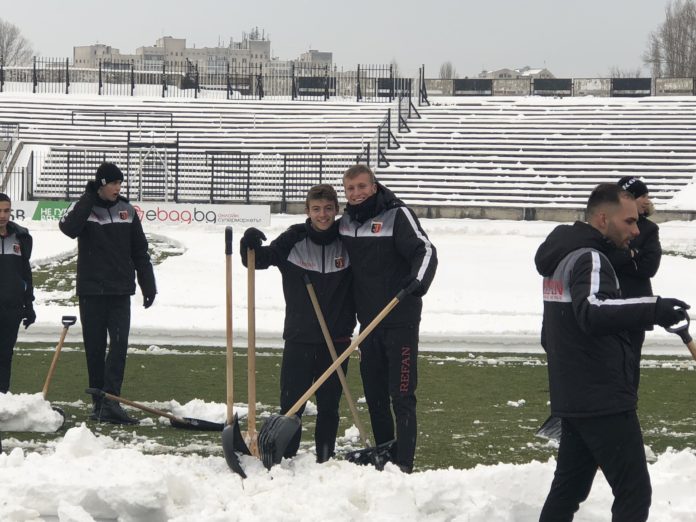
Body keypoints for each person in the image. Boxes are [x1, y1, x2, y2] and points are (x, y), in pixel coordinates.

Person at [535, 183, 689, 521]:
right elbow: (592, 311)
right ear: (603, 219)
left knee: (568, 490)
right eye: (630, 222)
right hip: (601, 398)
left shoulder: (562, 255)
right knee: (634, 492)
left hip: (574, 395)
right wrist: (654, 309)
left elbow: (551, 332)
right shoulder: (590, 257)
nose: (636, 231)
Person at [240, 184, 355, 462]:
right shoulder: (294, 239)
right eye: (316, 209)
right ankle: (287, 457)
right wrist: (248, 243)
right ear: (307, 211)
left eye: (328, 209)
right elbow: (257, 261)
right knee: (292, 405)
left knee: (329, 405)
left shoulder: (349, 240)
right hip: (299, 337)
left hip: (337, 339)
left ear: (336, 210)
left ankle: (325, 457)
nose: (323, 215)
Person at [338, 164, 437, 473]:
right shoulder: (345, 224)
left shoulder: (397, 214)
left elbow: (426, 251)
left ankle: (404, 464)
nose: (357, 194)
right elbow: (316, 230)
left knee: (402, 395)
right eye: (351, 188)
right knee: (376, 396)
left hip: (400, 319)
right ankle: (385, 454)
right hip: (368, 323)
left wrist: (417, 283)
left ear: (375, 186)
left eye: (362, 187)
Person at [59, 162, 156, 425]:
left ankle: (112, 401)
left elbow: (139, 250)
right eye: (113, 183)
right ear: (102, 184)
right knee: (94, 348)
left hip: (120, 290)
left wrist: (148, 283)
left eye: (120, 183)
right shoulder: (85, 206)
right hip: (91, 290)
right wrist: (89, 197)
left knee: (119, 345)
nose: (118, 188)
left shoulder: (127, 210)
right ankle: (98, 403)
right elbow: (68, 228)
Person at [607, 176, 662, 389]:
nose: (647, 200)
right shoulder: (607, 227)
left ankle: (629, 407)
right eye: (642, 196)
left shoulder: (649, 229)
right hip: (609, 302)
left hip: (635, 303)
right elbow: (604, 260)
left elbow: (650, 267)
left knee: (631, 363)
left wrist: (623, 257)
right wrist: (631, 255)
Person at [0, 193, 35, 394]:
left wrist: (28, 305)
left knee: (5, 355)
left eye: (6, 211)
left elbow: (25, 274)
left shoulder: (20, 237)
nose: (3, 215)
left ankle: (2, 398)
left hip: (11, 308)